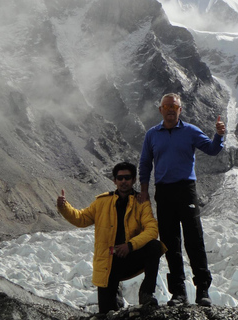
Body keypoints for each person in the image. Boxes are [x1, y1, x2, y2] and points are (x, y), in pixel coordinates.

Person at [138, 93, 225, 306]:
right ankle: (179, 293)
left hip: (186, 189)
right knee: (170, 243)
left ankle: (202, 290)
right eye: (166, 106)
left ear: (180, 110)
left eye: (174, 106)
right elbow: (145, 163)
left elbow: (213, 150)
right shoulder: (152, 134)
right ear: (160, 110)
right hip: (164, 191)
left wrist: (219, 135)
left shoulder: (190, 131)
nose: (170, 109)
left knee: (194, 239)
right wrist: (144, 191)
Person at [56, 162, 165, 314]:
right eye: (120, 178)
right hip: (108, 263)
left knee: (155, 246)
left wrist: (130, 245)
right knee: (107, 312)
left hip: (130, 256)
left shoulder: (141, 203)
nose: (123, 181)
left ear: (133, 180)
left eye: (127, 177)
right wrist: (64, 206)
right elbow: (81, 219)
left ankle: (146, 293)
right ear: (114, 181)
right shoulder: (102, 202)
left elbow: (152, 229)